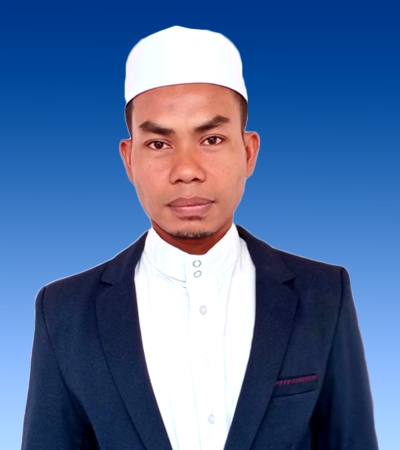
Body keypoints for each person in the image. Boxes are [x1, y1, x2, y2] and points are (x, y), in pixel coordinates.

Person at [22, 26, 379, 450]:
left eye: (211, 139)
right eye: (159, 143)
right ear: (129, 160)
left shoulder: (324, 294)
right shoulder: (65, 311)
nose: (186, 170)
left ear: (248, 151)